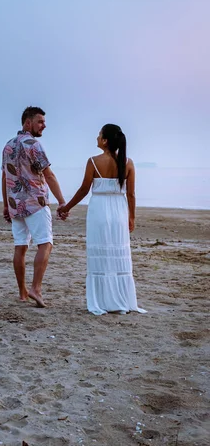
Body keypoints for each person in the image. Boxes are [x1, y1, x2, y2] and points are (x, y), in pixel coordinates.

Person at [59, 124, 146, 315]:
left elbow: (84, 190)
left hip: (99, 211)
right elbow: (131, 195)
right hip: (119, 211)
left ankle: (102, 301)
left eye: (99, 135)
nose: (97, 138)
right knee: (117, 254)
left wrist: (66, 207)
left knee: (101, 255)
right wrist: (131, 217)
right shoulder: (128, 163)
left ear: (105, 140)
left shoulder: (93, 161)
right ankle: (120, 299)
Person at [2, 106, 68, 308]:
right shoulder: (33, 144)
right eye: (40, 121)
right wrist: (62, 202)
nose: (44, 125)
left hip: (15, 204)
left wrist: (6, 205)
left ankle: (22, 292)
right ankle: (35, 288)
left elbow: (5, 177)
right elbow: (49, 175)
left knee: (20, 246)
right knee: (45, 243)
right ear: (27, 123)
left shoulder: (8, 145)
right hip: (35, 203)